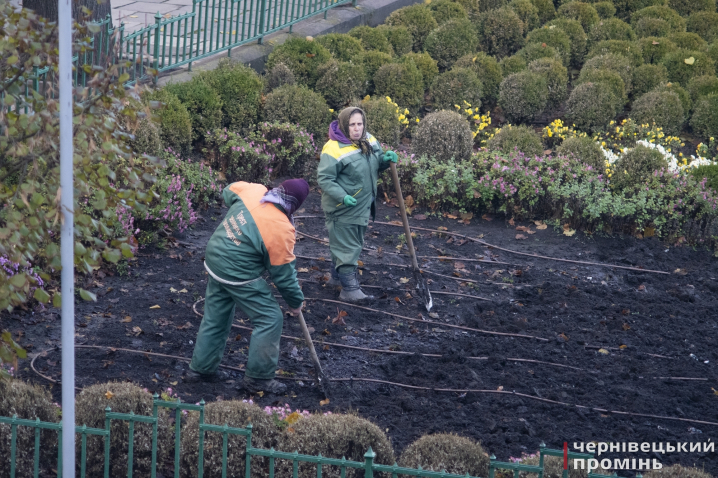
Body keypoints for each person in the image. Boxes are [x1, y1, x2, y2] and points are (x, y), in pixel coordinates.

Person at [185, 179, 309, 394]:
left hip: (215, 256)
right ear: (295, 205)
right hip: (238, 272)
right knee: (270, 318)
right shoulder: (281, 229)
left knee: (216, 317)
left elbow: (227, 191)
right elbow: (283, 276)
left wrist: (240, 218)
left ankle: (200, 370)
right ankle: (258, 379)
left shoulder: (254, 191)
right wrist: (295, 302)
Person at [317, 107, 398, 302]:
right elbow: (325, 178)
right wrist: (342, 197)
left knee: (350, 242)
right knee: (348, 246)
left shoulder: (368, 140)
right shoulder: (334, 147)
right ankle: (350, 289)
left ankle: (336, 279)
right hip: (342, 207)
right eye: (352, 125)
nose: (356, 129)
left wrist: (385, 160)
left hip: (362, 204)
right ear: (345, 125)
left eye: (359, 124)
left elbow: (375, 161)